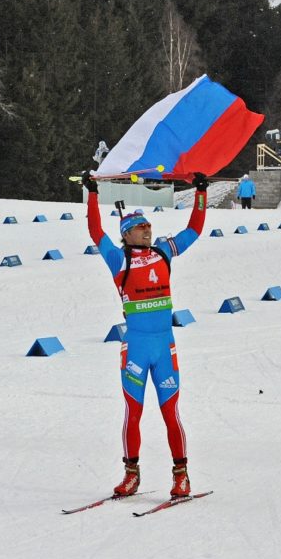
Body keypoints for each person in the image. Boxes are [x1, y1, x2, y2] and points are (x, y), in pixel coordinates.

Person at [84, 169, 209, 499]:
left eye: (149, 226)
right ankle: (131, 475)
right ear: (127, 233)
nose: (148, 229)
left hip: (164, 347)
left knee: (171, 413)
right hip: (136, 348)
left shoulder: (163, 252)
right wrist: (93, 194)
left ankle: (181, 476)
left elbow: (194, 229)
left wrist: (200, 193)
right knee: (133, 414)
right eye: (141, 226)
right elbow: (96, 230)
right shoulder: (118, 258)